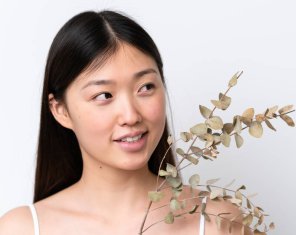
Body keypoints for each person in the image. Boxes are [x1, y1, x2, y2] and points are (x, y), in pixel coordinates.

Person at [0, 10, 250, 235]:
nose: (131, 116)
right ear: (61, 110)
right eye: (104, 96)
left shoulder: (219, 221)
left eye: (145, 87)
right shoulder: (22, 229)